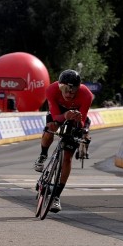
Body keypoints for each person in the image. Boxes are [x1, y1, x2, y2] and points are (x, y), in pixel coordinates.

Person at [33, 69, 93, 214]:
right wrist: (65, 114)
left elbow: (82, 120)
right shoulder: (52, 90)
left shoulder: (86, 95)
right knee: (50, 128)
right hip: (58, 113)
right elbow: (54, 116)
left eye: (73, 91)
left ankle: (56, 196)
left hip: (75, 117)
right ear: (59, 87)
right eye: (65, 90)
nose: (69, 94)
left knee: (67, 158)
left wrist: (79, 124)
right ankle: (43, 155)